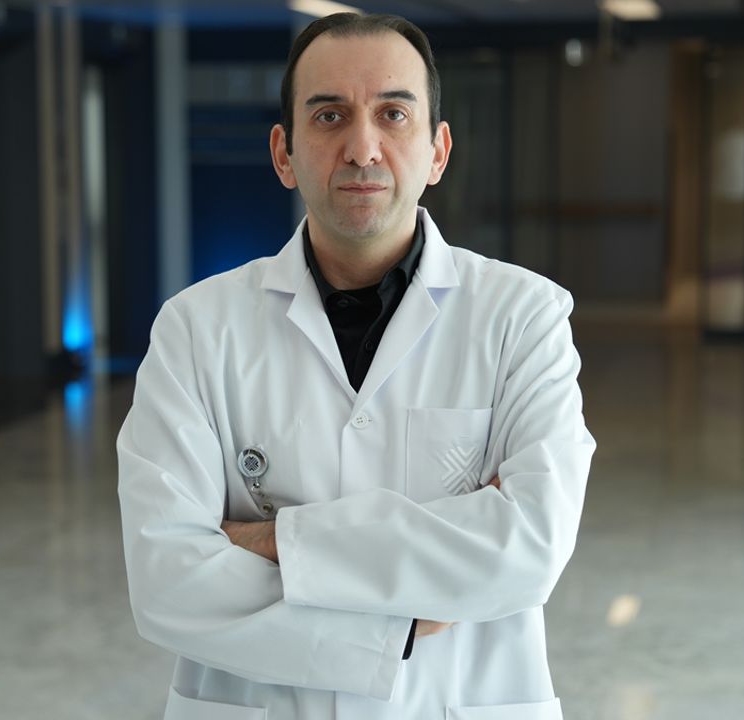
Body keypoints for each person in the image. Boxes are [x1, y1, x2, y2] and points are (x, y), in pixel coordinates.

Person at [118, 13, 594, 720]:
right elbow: (167, 582)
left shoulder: (524, 317)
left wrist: (272, 540)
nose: (362, 148)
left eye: (393, 114)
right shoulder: (195, 328)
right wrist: (393, 626)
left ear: (437, 151)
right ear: (284, 153)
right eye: (329, 115)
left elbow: (529, 547)